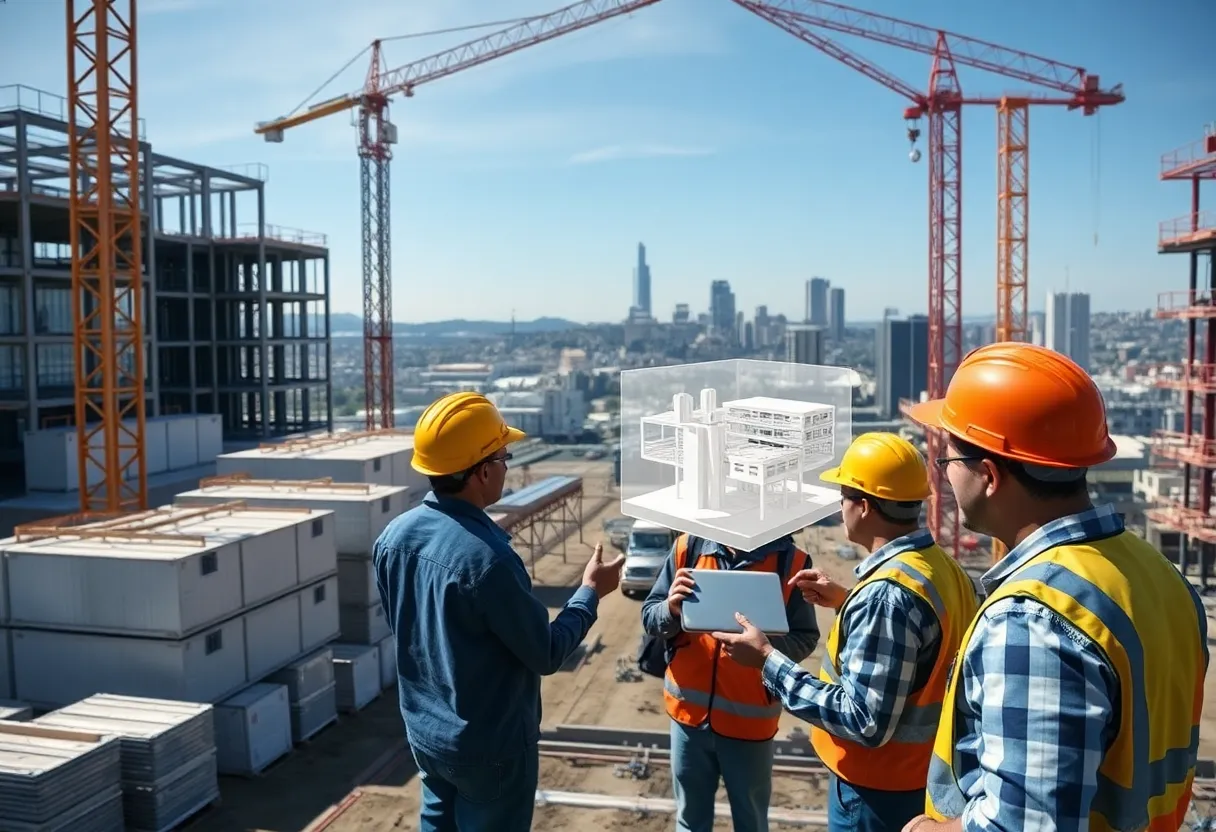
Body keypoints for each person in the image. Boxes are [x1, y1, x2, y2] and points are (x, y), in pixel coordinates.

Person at [897, 342, 1208, 832]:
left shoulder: (1033, 621)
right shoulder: (1162, 576)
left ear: (989, 476)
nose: (945, 479)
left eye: (947, 461)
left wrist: (939, 829)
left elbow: (1027, 826)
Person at [373, 391, 626, 832]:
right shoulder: (487, 560)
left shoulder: (393, 538)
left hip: (427, 735)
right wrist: (590, 593)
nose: (508, 467)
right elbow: (546, 653)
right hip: (490, 750)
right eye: (505, 456)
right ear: (483, 471)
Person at [713, 433, 979, 832]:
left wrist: (767, 660)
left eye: (843, 496)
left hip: (877, 792)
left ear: (864, 506)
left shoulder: (886, 598)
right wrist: (847, 600)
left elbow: (862, 720)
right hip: (922, 778)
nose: (840, 507)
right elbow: (921, 641)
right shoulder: (940, 567)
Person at [641, 531, 820, 832]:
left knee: (750, 821)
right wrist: (670, 609)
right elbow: (650, 615)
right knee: (689, 820)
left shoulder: (791, 562)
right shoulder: (689, 547)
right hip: (688, 720)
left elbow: (805, 636)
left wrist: (764, 652)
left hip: (749, 724)